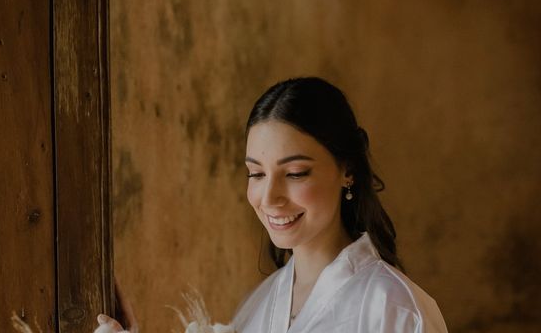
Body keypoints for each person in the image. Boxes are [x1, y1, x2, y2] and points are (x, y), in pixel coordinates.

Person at [95, 77, 448, 332]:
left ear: (348, 171)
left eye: (295, 173)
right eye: (256, 174)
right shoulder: (259, 305)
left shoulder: (397, 310)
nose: (269, 198)